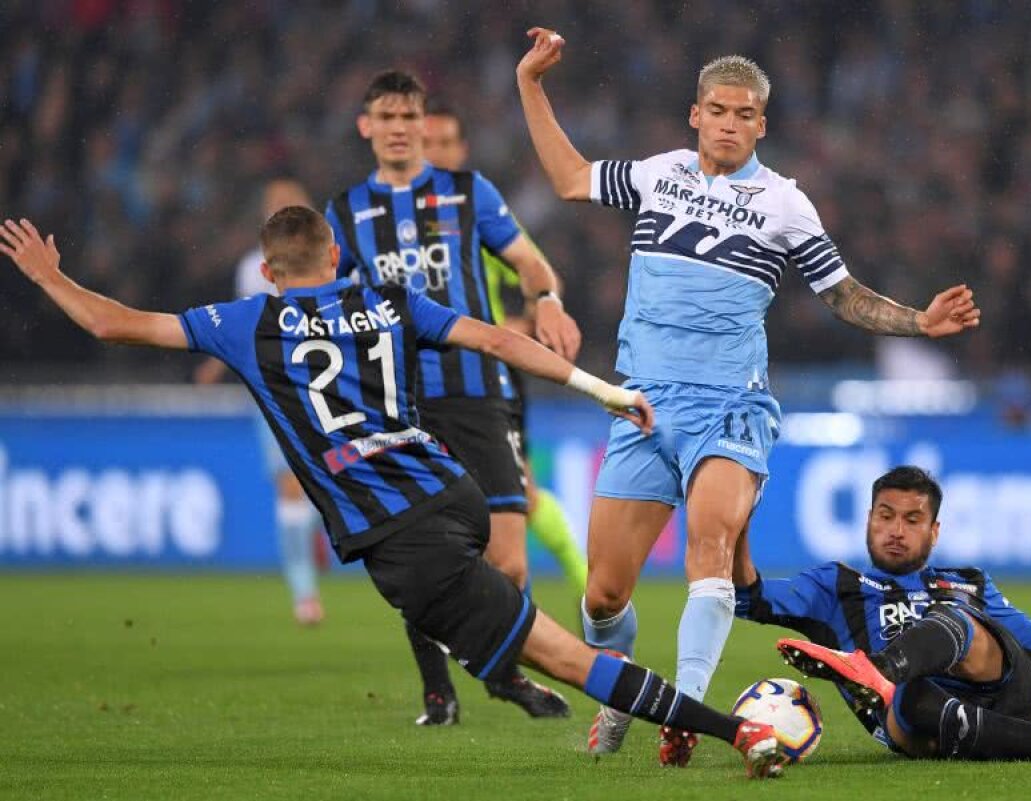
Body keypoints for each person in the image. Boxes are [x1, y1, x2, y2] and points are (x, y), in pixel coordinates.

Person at [0, 211, 789, 779]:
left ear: (268, 272)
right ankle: (487, 663)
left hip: (401, 534)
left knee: (564, 657)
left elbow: (115, 325)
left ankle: (737, 730)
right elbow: (496, 338)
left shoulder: (246, 322)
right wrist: (600, 388)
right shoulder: (386, 299)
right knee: (508, 627)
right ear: (336, 254)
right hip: (453, 488)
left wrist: (47, 275)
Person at [515, 28, 981, 765]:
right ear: (695, 114)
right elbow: (572, 178)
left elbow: (843, 294)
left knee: (709, 549)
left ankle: (688, 711)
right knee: (602, 596)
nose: (729, 124)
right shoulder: (657, 173)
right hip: (643, 405)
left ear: (762, 124)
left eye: (744, 115)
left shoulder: (785, 203)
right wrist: (531, 84)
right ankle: (621, 695)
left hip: (729, 406)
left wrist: (918, 321)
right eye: (717, 111)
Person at [325, 70, 582, 724]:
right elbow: (322, 301)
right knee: (424, 558)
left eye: (408, 116)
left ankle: (498, 669)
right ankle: (440, 691)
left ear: (422, 123)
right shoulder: (345, 213)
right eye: (386, 117)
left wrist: (547, 299)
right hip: (399, 405)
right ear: (366, 126)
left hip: (477, 393)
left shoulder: (470, 194)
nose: (399, 128)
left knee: (510, 562)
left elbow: (530, 263)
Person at [733, 465, 1031, 762]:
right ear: (869, 519)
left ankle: (875, 671)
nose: (896, 531)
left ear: (934, 532)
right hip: (917, 720)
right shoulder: (835, 585)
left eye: (912, 520)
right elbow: (749, 597)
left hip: (1004, 693)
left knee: (953, 617)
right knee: (909, 695)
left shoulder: (966, 583)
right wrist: (738, 523)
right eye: (885, 516)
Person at [422, 102, 588, 597]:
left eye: (445, 143)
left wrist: (520, 323)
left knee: (520, 500)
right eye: (427, 144)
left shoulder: (474, 215)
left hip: (486, 374)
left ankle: (587, 590)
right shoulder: (387, 221)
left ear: (462, 150)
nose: (436, 154)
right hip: (419, 382)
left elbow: (536, 276)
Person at [194, 177, 327, 626]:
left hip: (322, 386)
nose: (281, 210)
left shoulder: (332, 259)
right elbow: (242, 324)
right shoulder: (253, 267)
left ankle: (317, 526)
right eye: (273, 205)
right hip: (272, 389)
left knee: (320, 482)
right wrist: (215, 364)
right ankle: (304, 593)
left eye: (289, 203)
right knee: (289, 485)